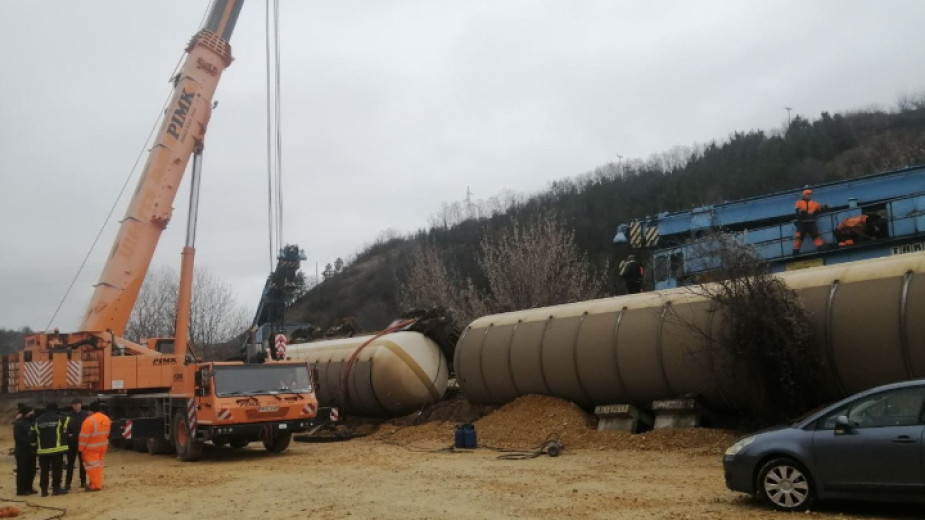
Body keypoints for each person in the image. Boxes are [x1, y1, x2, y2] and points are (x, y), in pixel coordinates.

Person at [30, 403, 70, 497]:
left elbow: (32, 436)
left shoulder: (37, 421)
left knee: (44, 471)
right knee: (57, 470)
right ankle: (56, 489)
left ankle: (44, 491)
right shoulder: (60, 418)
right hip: (57, 450)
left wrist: (34, 448)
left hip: (43, 451)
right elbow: (69, 421)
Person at [78, 401, 111, 492]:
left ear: (90, 410)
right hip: (102, 446)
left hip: (91, 448)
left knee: (91, 468)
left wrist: (81, 449)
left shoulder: (89, 421)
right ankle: (94, 484)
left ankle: (96, 485)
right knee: (98, 466)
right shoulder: (106, 418)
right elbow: (107, 433)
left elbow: (84, 437)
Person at [793, 188, 829, 254]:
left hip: (811, 222)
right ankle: (796, 251)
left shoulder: (815, 203)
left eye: (810, 194)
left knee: (816, 236)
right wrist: (805, 212)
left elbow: (820, 209)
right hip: (802, 223)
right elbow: (798, 212)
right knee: (799, 237)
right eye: (808, 194)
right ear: (804, 195)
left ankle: (821, 248)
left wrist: (826, 207)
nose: (809, 195)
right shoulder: (799, 202)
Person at [65, 397, 90, 490]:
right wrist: (69, 435)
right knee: (70, 464)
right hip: (72, 443)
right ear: (72, 405)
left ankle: (83, 482)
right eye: (74, 404)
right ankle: (68, 483)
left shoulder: (85, 414)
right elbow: (64, 428)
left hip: (82, 442)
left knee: (82, 463)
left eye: (78, 404)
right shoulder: (68, 415)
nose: (76, 406)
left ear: (81, 405)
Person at [13, 403, 37, 496]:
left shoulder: (31, 422)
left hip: (31, 451)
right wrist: (29, 443)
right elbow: (18, 437)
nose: (33, 413)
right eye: (31, 412)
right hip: (22, 451)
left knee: (31, 470)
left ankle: (29, 487)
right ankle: (21, 490)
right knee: (22, 471)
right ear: (27, 413)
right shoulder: (19, 423)